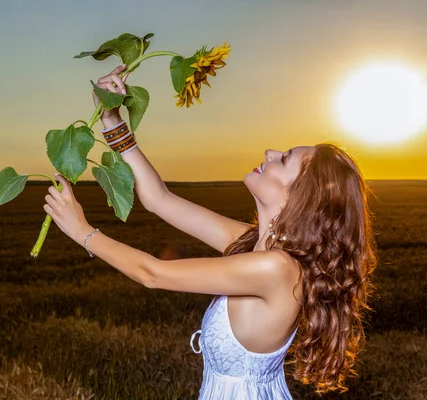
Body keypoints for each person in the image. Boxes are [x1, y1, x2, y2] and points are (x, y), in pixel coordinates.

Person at [43, 64, 377, 398]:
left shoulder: (274, 268)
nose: (270, 153)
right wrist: (113, 122)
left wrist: (82, 231)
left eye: (285, 159)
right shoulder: (255, 244)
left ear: (300, 196)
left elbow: (153, 273)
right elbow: (160, 200)